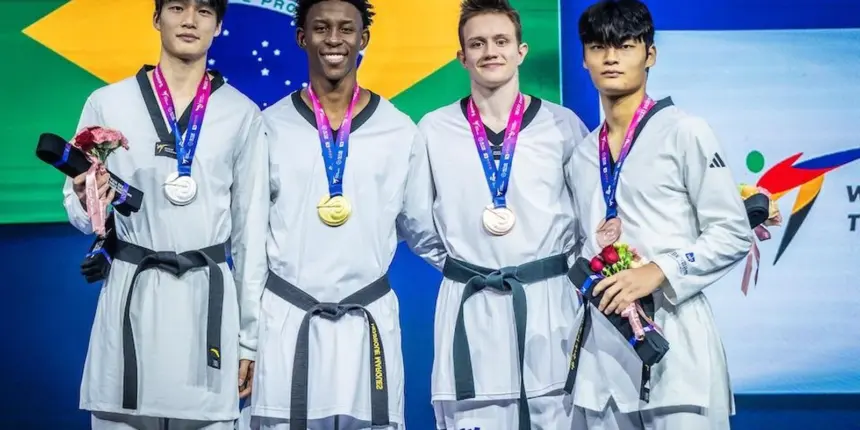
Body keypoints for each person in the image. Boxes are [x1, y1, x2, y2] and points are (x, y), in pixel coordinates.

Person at [62, 0, 269, 428]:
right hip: (132, 293)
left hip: (207, 302)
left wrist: (248, 341)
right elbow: (80, 213)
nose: (190, 20)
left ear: (218, 26)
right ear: (156, 18)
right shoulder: (107, 103)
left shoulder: (242, 114)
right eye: (177, 7)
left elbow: (251, 236)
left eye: (204, 11)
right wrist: (87, 199)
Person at [247, 0, 446, 429]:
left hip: (366, 324)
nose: (334, 39)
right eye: (321, 28)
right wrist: (245, 337)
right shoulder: (268, 126)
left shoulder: (398, 129)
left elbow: (423, 230)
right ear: (302, 37)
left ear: (363, 39)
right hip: (287, 321)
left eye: (345, 29)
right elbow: (247, 241)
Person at [564, 0, 753, 428]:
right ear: (584, 58)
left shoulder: (686, 131)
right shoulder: (581, 153)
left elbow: (731, 232)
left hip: (676, 348)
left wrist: (659, 271)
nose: (611, 57)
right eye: (598, 47)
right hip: (603, 359)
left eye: (625, 45)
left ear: (650, 55)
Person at [416, 0, 590, 428]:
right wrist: (467, 268)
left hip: (550, 308)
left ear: (521, 51)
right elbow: (416, 223)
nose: (490, 51)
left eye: (500, 41)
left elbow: (591, 218)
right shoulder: (433, 129)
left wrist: (557, 275)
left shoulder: (562, 125)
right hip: (470, 304)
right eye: (477, 43)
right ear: (462, 57)